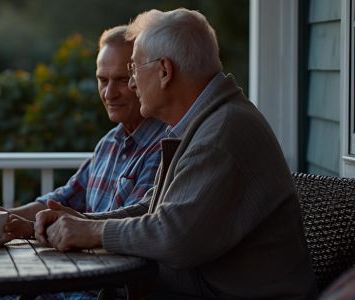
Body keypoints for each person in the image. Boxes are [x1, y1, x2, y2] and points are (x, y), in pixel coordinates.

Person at [34, 8, 316, 299]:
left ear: (164, 71)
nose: (131, 84)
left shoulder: (221, 133)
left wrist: (92, 232)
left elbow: (174, 237)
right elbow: (153, 209)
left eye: (133, 69)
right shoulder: (205, 124)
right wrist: (85, 222)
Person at [0, 25, 167, 240]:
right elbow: (63, 199)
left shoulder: (164, 145)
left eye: (122, 80)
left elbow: (131, 226)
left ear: (144, 77)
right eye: (102, 80)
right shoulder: (109, 143)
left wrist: (32, 228)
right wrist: (5, 216)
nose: (109, 93)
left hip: (125, 272)